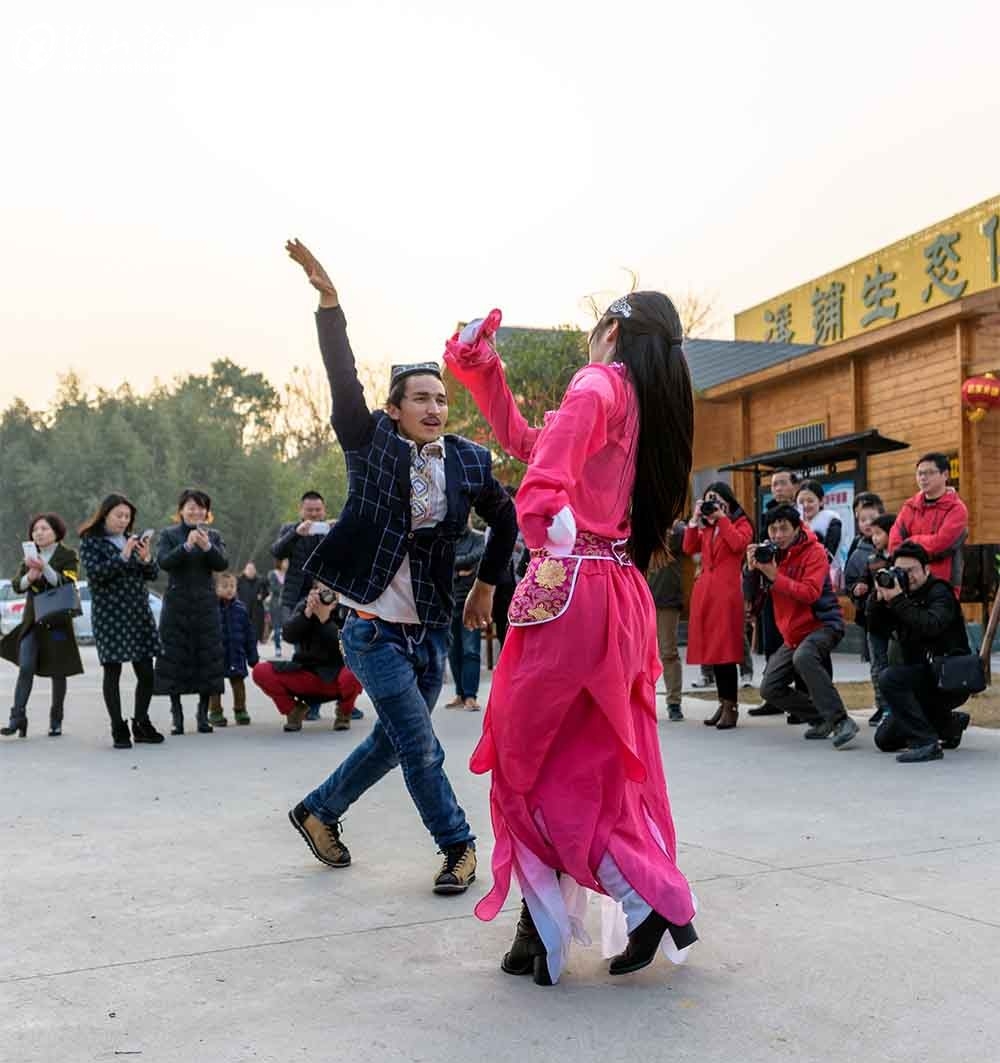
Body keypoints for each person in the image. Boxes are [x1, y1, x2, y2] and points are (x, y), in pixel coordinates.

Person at [445, 292, 698, 986]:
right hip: (614, 591)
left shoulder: (600, 382)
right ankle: (567, 918)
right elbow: (530, 442)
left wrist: (542, 510)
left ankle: (635, 899)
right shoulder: (642, 404)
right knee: (586, 765)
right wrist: (484, 369)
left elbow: (543, 475)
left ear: (611, 330)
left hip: (571, 587)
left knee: (530, 764)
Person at [283, 239, 517, 895]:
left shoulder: (468, 460)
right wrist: (330, 305)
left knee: (393, 741)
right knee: (420, 745)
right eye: (420, 398)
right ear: (395, 408)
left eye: (440, 398)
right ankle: (458, 846)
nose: (434, 408)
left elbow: (507, 519)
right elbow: (341, 379)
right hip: (371, 629)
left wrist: (486, 588)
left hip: (430, 631)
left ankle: (318, 810)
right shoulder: (370, 442)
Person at [746, 504, 859, 750]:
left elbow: (810, 593)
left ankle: (841, 721)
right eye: (773, 529)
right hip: (793, 632)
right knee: (770, 688)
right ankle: (820, 718)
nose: (778, 535)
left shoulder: (814, 551)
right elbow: (752, 598)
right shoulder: (771, 554)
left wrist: (775, 576)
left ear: (797, 528)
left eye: (784, 529)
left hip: (823, 623)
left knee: (805, 657)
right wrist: (751, 570)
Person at [867, 542, 973, 762]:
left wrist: (898, 601)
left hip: (948, 678)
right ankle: (948, 724)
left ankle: (926, 743)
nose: (907, 577)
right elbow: (876, 628)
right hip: (921, 677)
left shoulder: (940, 593)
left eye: (911, 570)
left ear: (926, 569)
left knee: (890, 678)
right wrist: (877, 601)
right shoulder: (901, 595)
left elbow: (930, 625)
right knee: (885, 740)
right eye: (900, 571)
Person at [78, 494, 164, 749]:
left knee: (146, 671)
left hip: (138, 612)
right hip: (110, 615)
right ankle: (118, 727)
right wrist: (123, 556)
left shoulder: (132, 540)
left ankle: (141, 722)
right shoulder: (91, 541)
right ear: (105, 514)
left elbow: (152, 574)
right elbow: (96, 575)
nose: (124, 520)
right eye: (119, 515)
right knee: (112, 670)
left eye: (127, 516)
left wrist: (146, 557)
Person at [1, 514, 83, 739]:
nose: (38, 533)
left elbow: (68, 582)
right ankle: (17, 718)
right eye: (35, 529)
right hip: (33, 621)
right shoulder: (29, 557)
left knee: (59, 670)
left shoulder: (68, 555)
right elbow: (17, 585)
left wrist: (45, 568)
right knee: (25, 666)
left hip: (57, 621)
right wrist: (30, 575)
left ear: (56, 532)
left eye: (44, 528)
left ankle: (56, 720)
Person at [153, 489, 228, 735]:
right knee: (175, 657)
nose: (196, 512)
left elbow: (222, 563)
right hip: (177, 603)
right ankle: (177, 715)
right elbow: (163, 562)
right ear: (181, 510)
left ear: (207, 512)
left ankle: (203, 714)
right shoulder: (169, 534)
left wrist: (207, 547)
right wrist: (186, 546)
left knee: (206, 657)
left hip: (205, 604)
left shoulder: (213, 536)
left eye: (201, 508)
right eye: (191, 507)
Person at [683, 482, 754, 730]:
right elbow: (688, 547)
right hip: (706, 592)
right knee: (713, 650)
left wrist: (722, 518)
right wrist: (694, 520)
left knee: (725, 650)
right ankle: (723, 702)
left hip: (727, 593)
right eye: (708, 500)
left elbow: (737, 545)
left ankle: (731, 706)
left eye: (716, 499)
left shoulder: (741, 523)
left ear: (727, 500)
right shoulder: (707, 526)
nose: (712, 504)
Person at [252, 582, 363, 732]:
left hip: (336, 676)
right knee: (261, 671)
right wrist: (306, 614)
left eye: (329, 591)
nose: (325, 595)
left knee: (358, 668)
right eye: (320, 591)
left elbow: (348, 647)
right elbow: (288, 636)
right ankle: (294, 711)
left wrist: (325, 620)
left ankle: (344, 712)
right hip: (306, 672)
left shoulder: (346, 610)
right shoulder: (304, 607)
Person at [748, 468, 801, 718]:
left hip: (797, 588)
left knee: (798, 646)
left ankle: (800, 703)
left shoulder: (803, 511)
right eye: (773, 485)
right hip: (772, 588)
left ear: (795, 486)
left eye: (782, 483)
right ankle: (774, 697)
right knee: (772, 643)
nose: (777, 488)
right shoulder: (767, 514)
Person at [889, 452, 969, 596]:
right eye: (920, 473)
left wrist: (911, 541)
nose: (923, 478)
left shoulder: (956, 508)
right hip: (908, 582)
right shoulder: (910, 506)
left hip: (942, 584)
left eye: (930, 473)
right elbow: (894, 543)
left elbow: (940, 544)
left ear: (945, 475)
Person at [647, 520, 686, 721]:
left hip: (666, 599)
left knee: (668, 652)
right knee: (639, 655)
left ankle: (674, 702)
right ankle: (643, 702)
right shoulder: (637, 528)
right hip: (641, 598)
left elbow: (679, 539)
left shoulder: (676, 530)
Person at [209, 571, 259, 727]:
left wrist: (252, 656)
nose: (229, 589)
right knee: (215, 685)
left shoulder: (241, 609)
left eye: (232, 586)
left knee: (238, 684)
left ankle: (240, 710)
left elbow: (249, 634)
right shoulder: (211, 609)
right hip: (216, 655)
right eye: (225, 586)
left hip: (236, 654)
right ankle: (215, 712)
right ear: (216, 589)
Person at [445, 520, 486, 711]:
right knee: (453, 650)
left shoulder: (478, 538)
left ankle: (470, 696)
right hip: (449, 599)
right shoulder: (447, 539)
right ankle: (460, 694)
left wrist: (457, 566)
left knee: (471, 649)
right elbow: (444, 561)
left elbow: (479, 559)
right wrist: (460, 569)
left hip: (472, 600)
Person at [796, 480, 843, 588]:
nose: (805, 505)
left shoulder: (831, 520)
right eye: (801, 501)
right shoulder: (794, 525)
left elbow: (829, 553)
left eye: (810, 501)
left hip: (824, 581)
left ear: (821, 501)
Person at [237, 561, 269, 645]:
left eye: (252, 569)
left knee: (254, 636)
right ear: (244, 570)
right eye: (249, 569)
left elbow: (266, 592)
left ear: (255, 570)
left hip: (256, 612)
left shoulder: (260, 581)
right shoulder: (239, 580)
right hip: (243, 610)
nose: (250, 571)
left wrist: (262, 596)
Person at [268, 559, 288, 658]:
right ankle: (277, 648)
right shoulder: (273, 574)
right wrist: (284, 589)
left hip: (286, 604)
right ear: (280, 562)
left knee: (287, 624)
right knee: (276, 627)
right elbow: (273, 588)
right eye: (285, 561)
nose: (287, 563)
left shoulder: (289, 575)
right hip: (275, 604)